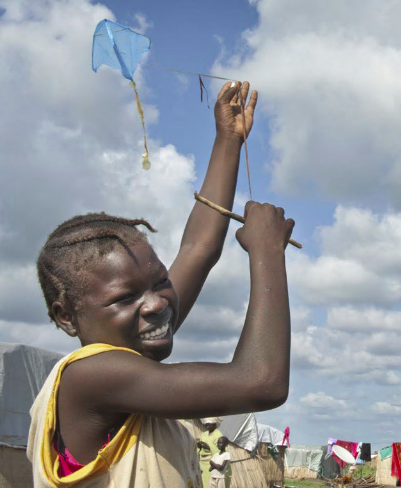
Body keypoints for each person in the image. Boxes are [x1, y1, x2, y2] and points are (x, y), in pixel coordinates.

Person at [27, 81, 294, 488]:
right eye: (124, 297)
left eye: (160, 282)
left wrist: (228, 140)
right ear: (66, 317)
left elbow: (197, 250)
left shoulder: (134, 349)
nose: (156, 304)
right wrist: (268, 254)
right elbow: (262, 382)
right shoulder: (93, 376)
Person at [198, 418, 230, 488]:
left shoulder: (218, 435)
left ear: (214, 424)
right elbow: (199, 449)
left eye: (209, 423)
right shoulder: (204, 435)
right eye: (206, 423)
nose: (207, 425)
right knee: (203, 483)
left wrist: (208, 447)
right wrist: (199, 446)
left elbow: (221, 452)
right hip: (202, 463)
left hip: (212, 462)